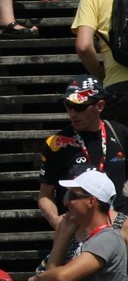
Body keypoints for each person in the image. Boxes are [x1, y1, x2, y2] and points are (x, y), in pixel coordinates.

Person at [38, 77, 128, 226]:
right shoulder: (56, 144)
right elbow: (44, 195)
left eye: (79, 107)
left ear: (100, 106)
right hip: (78, 228)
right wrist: (56, 220)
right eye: (68, 106)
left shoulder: (120, 133)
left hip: (118, 225)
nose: (72, 113)